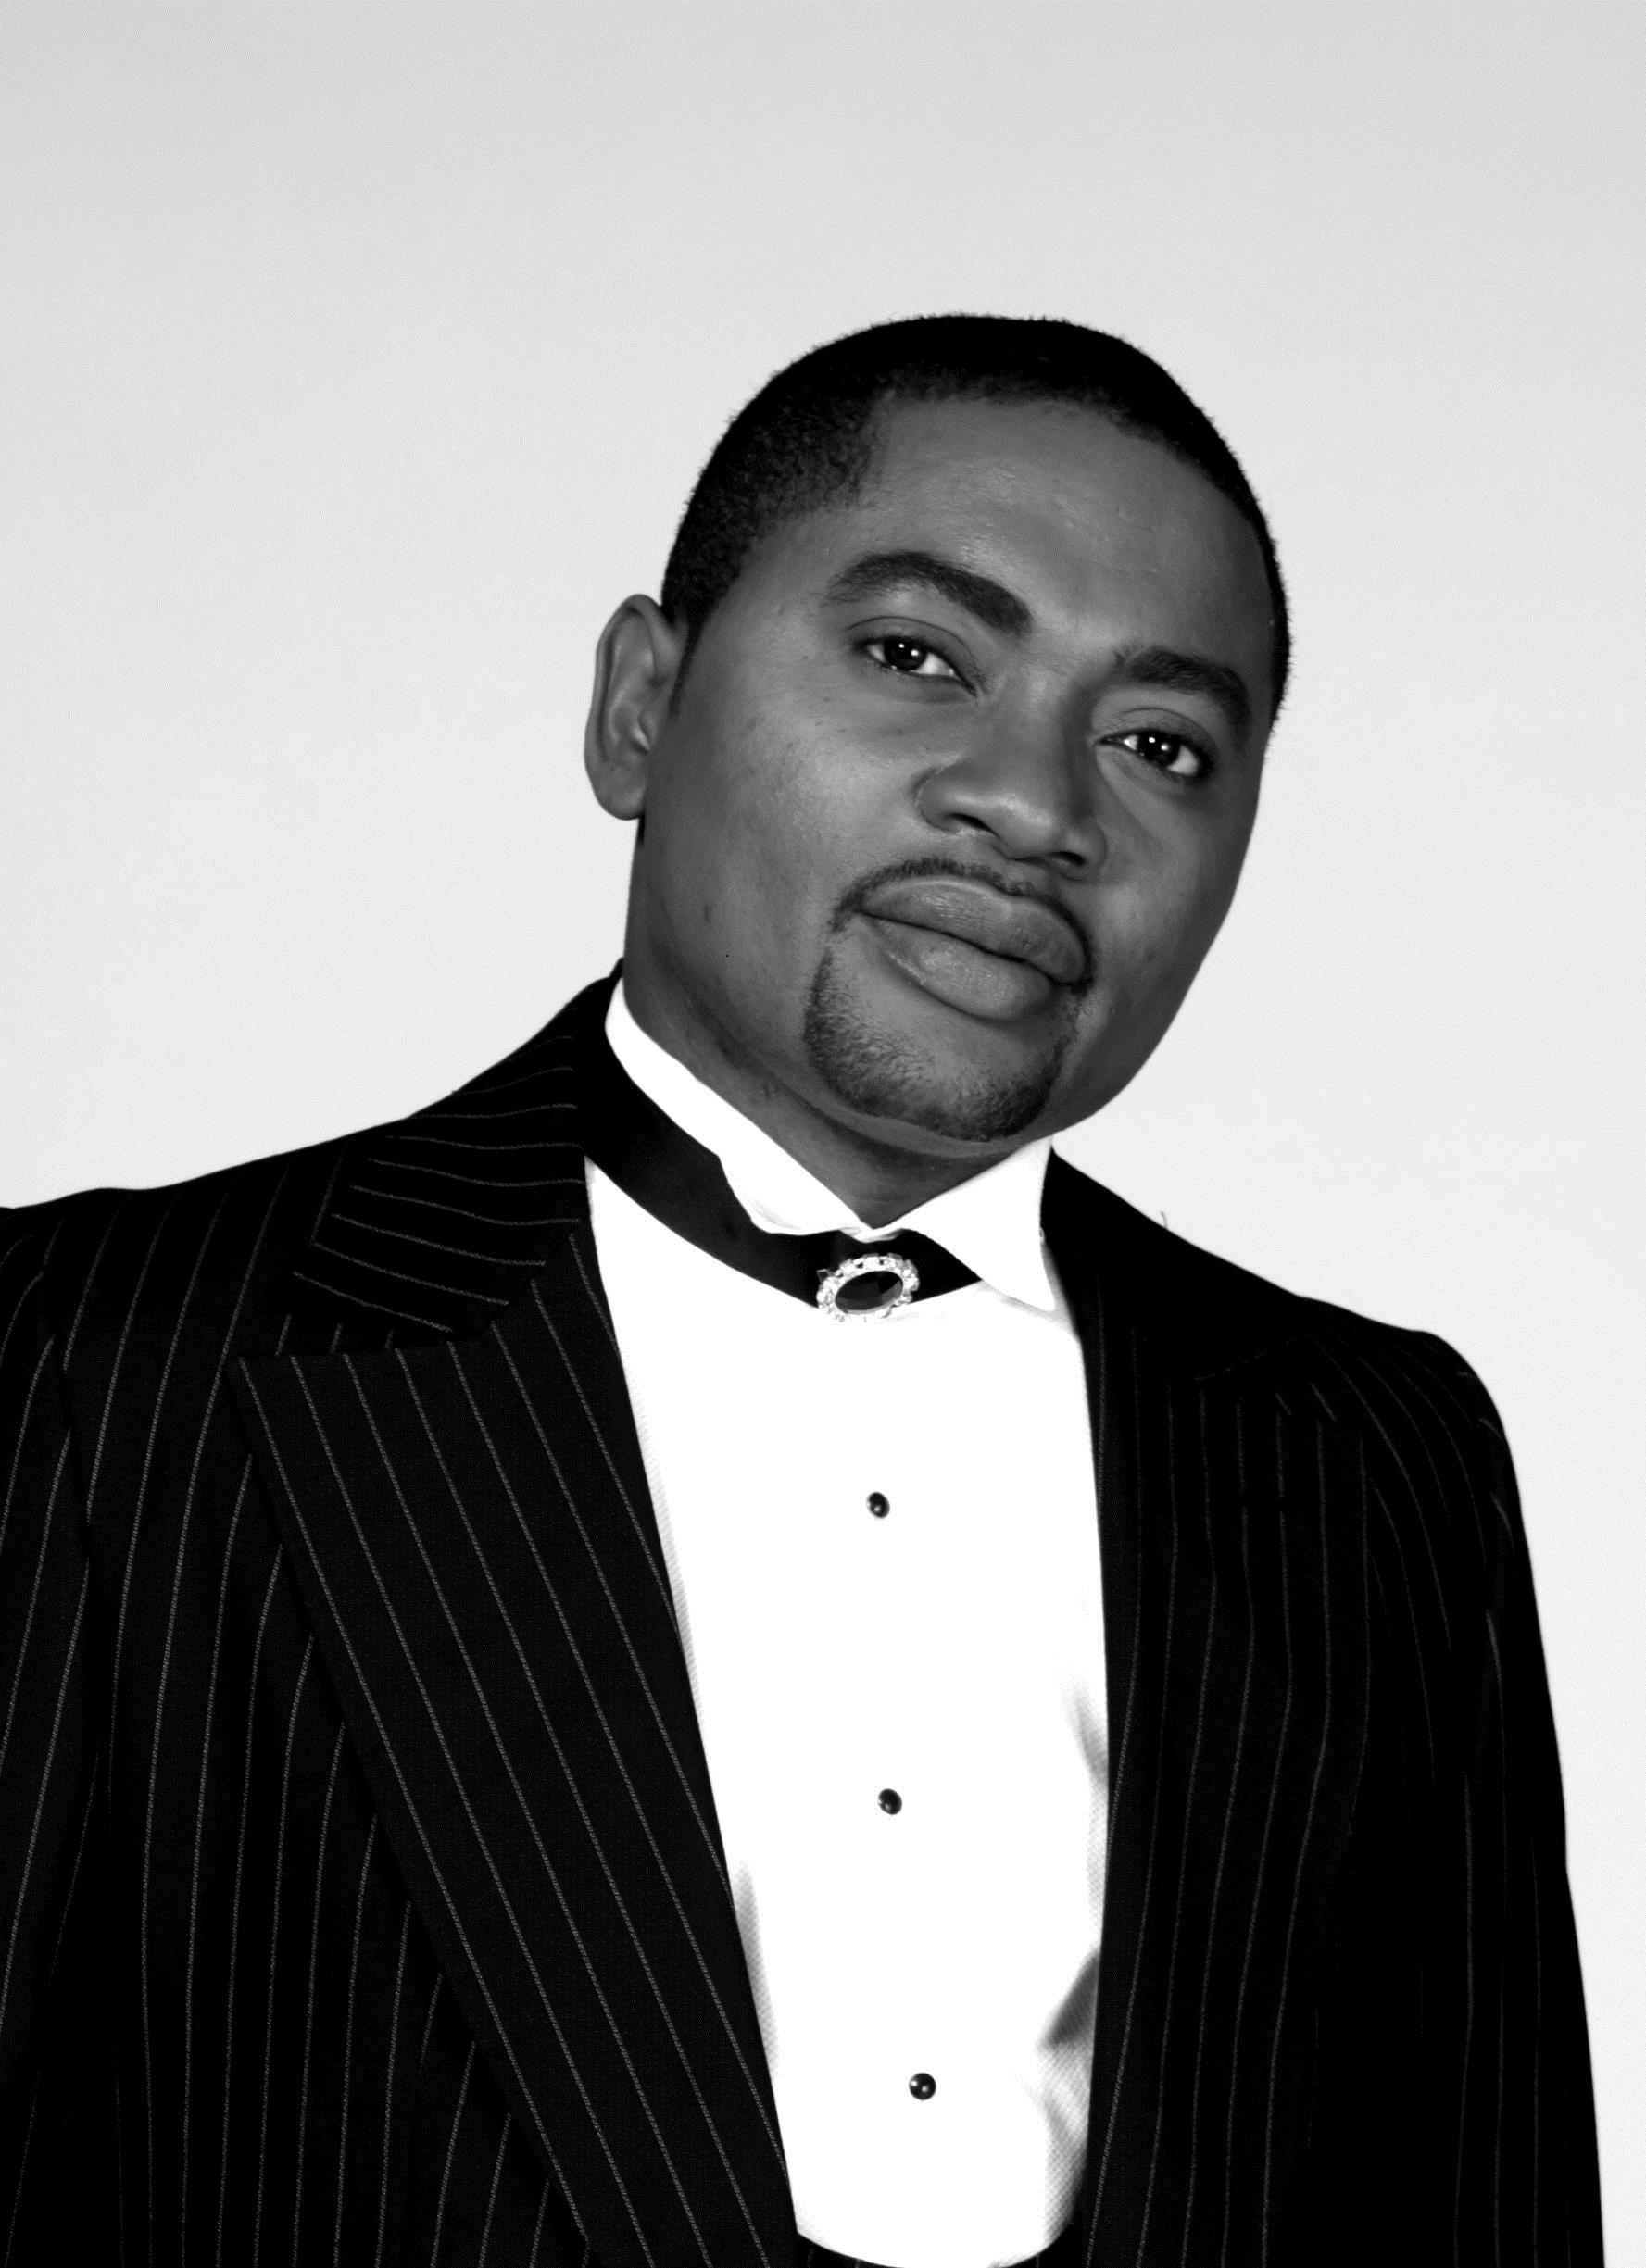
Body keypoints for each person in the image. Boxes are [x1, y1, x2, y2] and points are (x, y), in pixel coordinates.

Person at [0, 316, 1601, 2267]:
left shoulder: (1374, 1460)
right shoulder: (94, 1358)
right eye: (917, 655)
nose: (1036, 803)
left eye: (1159, 744)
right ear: (639, 706)